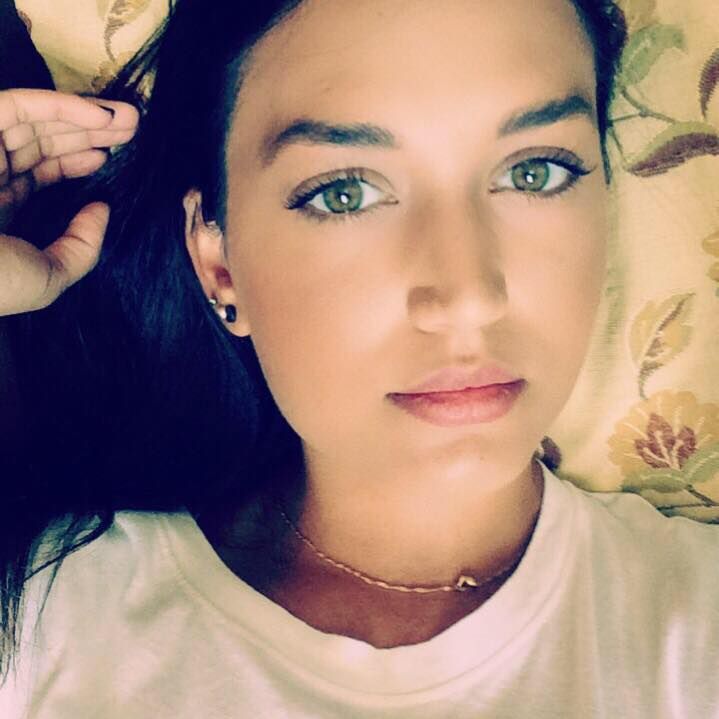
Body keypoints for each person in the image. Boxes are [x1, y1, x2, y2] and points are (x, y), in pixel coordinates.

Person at [1, 0, 718, 716]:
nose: (467, 296)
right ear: (218, 263)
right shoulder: (45, 616)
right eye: (345, 193)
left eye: (535, 173)